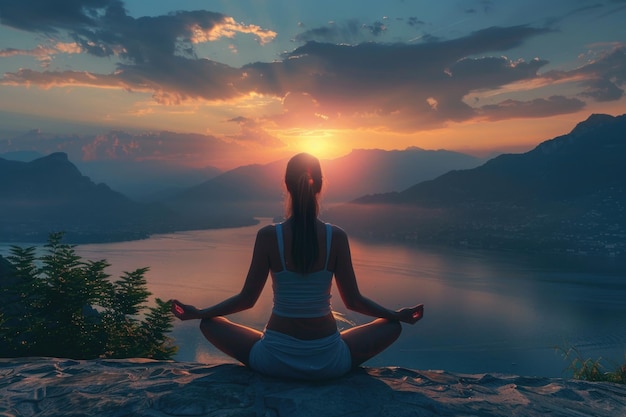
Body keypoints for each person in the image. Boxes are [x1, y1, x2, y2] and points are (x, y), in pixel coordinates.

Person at [171, 152, 423, 380]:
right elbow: (353, 301)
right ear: (321, 185)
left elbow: (246, 300)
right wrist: (396, 315)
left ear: (286, 186)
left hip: (272, 361)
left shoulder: (269, 236)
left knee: (210, 324)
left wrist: (199, 313)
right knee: (391, 327)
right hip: (329, 362)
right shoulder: (336, 237)